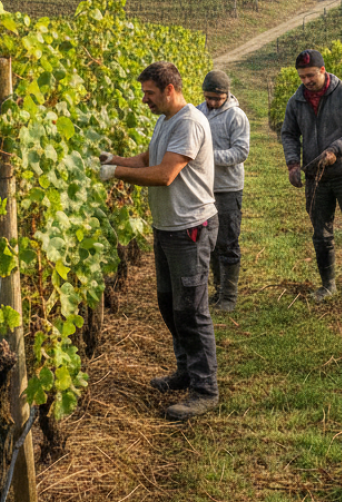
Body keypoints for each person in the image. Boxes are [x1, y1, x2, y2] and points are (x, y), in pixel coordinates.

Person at [99, 61, 220, 421]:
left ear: (169, 89)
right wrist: (115, 159)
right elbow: (148, 159)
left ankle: (205, 389)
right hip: (168, 227)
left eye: (149, 93)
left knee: (191, 311)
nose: (144, 100)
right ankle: (186, 371)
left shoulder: (188, 122)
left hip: (190, 229)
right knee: (169, 304)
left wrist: (115, 173)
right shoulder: (166, 120)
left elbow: (166, 174)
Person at [281, 49, 342, 312]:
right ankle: (328, 285)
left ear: (323, 71)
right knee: (321, 234)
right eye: (302, 77)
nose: (306, 81)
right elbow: (288, 134)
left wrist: (337, 149)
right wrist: (293, 163)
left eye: (310, 75)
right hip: (316, 176)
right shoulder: (296, 101)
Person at [196, 70, 250, 313]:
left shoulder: (236, 117)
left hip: (228, 188)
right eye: (208, 97)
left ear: (226, 95)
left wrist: (208, 156)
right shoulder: (198, 112)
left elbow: (241, 152)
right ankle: (218, 291)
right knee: (210, 243)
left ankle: (229, 296)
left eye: (216, 99)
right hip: (203, 188)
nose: (211, 102)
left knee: (228, 242)